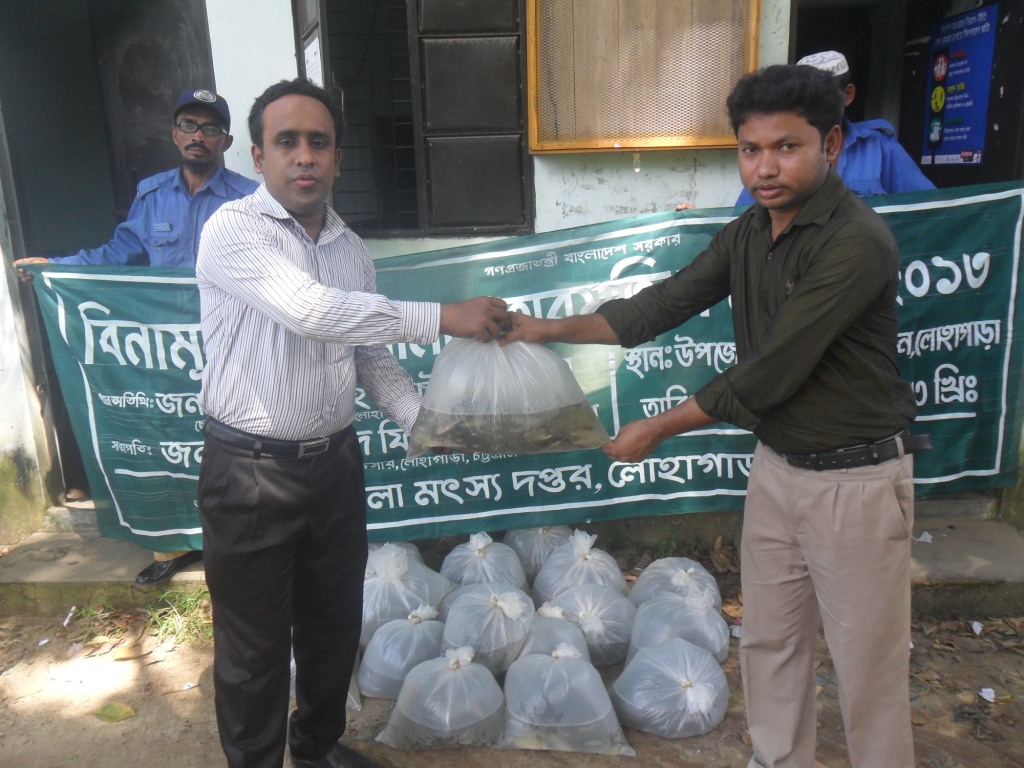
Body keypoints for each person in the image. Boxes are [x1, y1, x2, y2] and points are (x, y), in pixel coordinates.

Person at [504, 64, 928, 768]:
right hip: (779, 470)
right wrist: (541, 329)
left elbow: (769, 373)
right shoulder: (749, 232)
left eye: (786, 147)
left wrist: (656, 428)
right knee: (769, 640)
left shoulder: (856, 242)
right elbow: (658, 306)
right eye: (750, 149)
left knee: (867, 668)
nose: (765, 167)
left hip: (855, 484)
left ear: (831, 144)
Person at [195, 77, 509, 768]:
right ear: (258, 156)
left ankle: (315, 750)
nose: (304, 156)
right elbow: (310, 311)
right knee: (253, 649)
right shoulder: (232, 231)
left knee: (334, 626)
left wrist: (419, 421)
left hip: (333, 467)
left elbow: (367, 353)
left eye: (319, 142)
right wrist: (443, 316)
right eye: (287, 142)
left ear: (338, 158)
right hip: (250, 474)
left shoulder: (350, 249)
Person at [15, 88, 258, 587]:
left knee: (233, 440)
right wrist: (55, 267)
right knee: (168, 438)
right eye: (189, 125)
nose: (198, 135)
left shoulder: (249, 199)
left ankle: (236, 540)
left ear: (226, 141)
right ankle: (173, 543)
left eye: (211, 128)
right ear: (174, 134)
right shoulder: (151, 196)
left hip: (231, 344)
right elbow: (117, 253)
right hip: (163, 351)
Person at [733, 50, 935, 205]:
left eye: (824, 99)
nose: (814, 108)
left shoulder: (879, 147)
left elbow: (929, 210)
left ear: (848, 95)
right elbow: (743, 220)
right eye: (804, 101)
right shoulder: (769, 165)